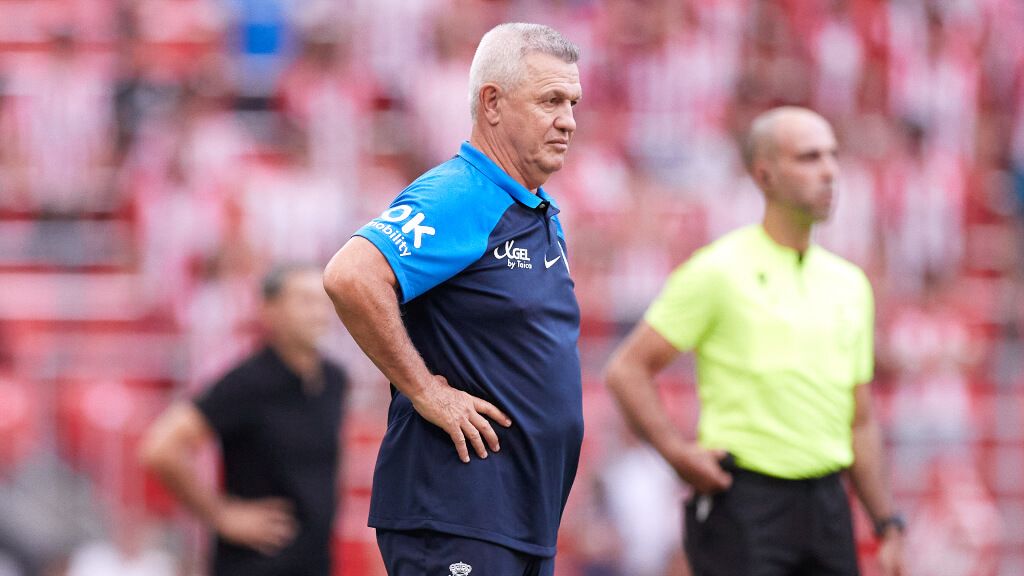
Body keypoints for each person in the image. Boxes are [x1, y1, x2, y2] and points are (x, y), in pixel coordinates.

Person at [323, 22, 583, 576]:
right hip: (459, 512)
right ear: (492, 102)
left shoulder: (533, 210)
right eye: (551, 101)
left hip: (515, 517)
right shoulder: (463, 193)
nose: (568, 120)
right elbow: (351, 275)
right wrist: (425, 391)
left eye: (573, 102)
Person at [603, 107, 906, 576]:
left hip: (828, 504)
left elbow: (860, 420)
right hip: (746, 501)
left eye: (832, 155)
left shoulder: (850, 284)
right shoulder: (718, 270)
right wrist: (677, 453)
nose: (829, 170)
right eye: (808, 157)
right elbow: (627, 369)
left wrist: (886, 523)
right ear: (765, 175)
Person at [140, 263, 347, 576]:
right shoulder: (248, 382)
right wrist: (221, 514)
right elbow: (160, 447)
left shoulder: (333, 380)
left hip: (315, 563)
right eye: (305, 301)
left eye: (323, 301)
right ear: (269, 311)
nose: (318, 312)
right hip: (254, 564)